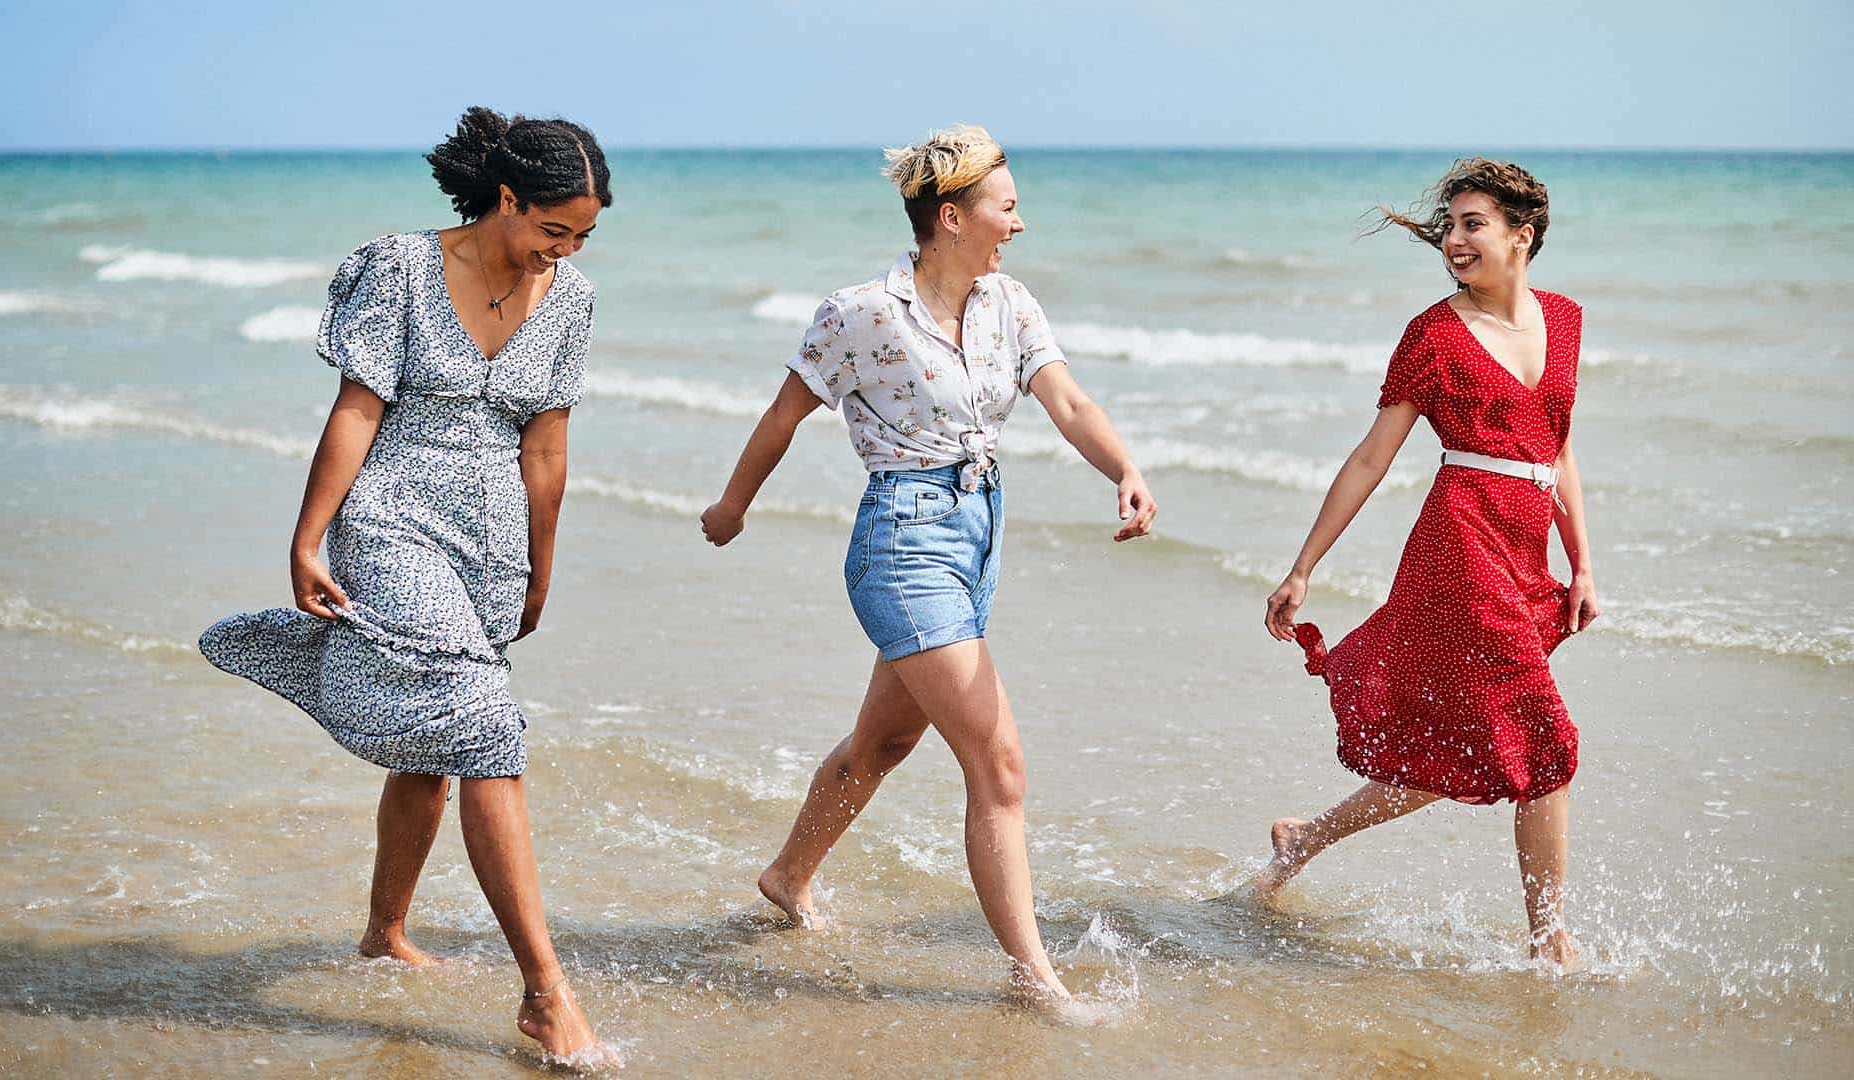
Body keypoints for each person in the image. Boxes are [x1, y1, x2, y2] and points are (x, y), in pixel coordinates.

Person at [699, 125, 1157, 1003]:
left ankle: (787, 877)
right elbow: (785, 414)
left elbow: (1066, 399)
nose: (1019, 224)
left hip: (977, 532)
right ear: (952, 217)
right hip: (902, 542)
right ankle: (1035, 979)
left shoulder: (1009, 303)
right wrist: (732, 507)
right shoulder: (861, 312)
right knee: (1000, 763)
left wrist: (1126, 468)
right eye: (1007, 207)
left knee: (886, 740)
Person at [199, 106, 618, 1064]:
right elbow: (356, 410)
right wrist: (308, 538)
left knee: (435, 736)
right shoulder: (398, 269)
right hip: (389, 518)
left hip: (490, 540)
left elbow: (547, 447)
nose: (564, 249)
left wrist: (540, 571)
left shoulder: (573, 297)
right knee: (484, 727)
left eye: (584, 234)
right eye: (552, 228)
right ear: (506, 199)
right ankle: (547, 994)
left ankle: (383, 931)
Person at [1253, 158, 1598, 970]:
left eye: (1474, 224)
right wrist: (1303, 567)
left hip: (1523, 554)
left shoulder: (1566, 320)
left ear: (1524, 234)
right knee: (1544, 741)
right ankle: (1550, 942)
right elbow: (1373, 459)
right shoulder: (1434, 335)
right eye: (1450, 226)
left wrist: (1582, 564)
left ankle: (1305, 836)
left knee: (1464, 750)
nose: (1455, 240)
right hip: (1459, 551)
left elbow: (1559, 448)